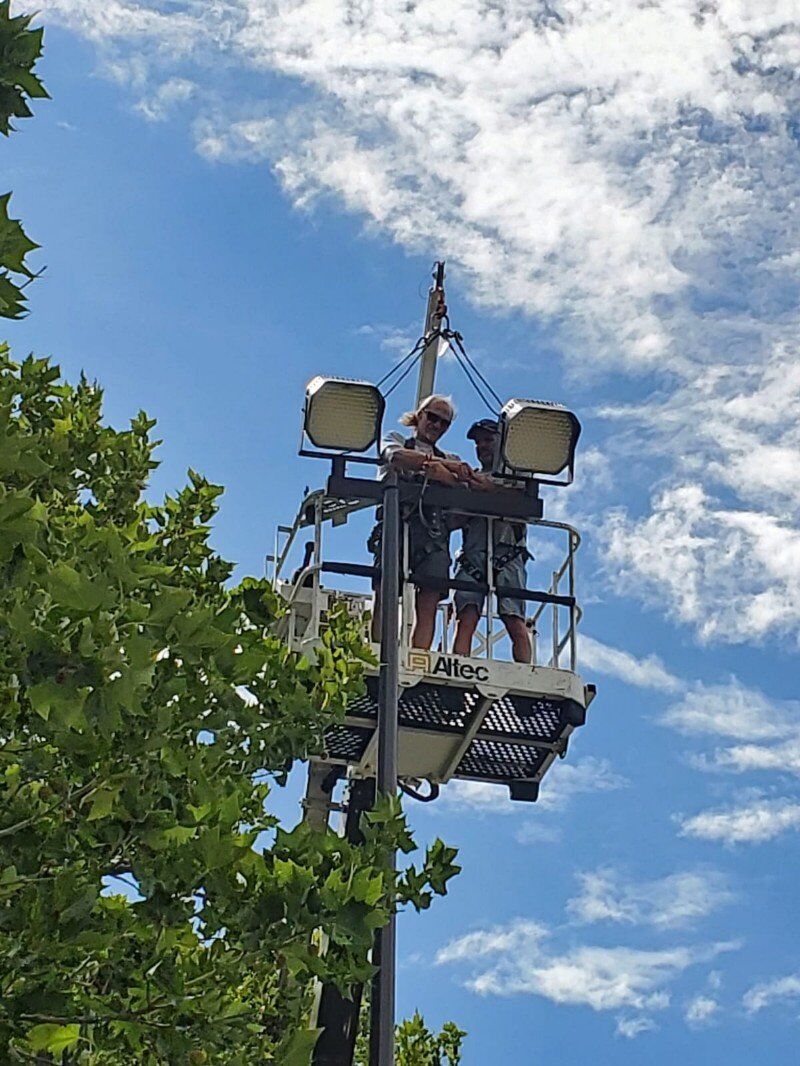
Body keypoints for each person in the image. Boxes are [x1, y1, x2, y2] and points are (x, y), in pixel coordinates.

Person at [369, 395, 478, 649]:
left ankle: (418, 657)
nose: (436, 425)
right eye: (432, 417)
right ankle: (379, 651)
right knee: (385, 590)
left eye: (444, 423)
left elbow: (465, 483)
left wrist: (444, 475)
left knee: (429, 599)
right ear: (419, 414)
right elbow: (395, 457)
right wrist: (442, 468)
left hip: (433, 532)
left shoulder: (450, 455)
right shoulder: (396, 439)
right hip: (395, 525)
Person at [452, 418, 532, 663]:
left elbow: (526, 500)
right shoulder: (471, 480)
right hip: (473, 554)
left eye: (488, 439)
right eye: (478, 442)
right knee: (466, 616)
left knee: (514, 618)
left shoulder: (520, 476)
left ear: (502, 441)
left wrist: (489, 489)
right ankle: (458, 667)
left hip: (508, 552)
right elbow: (454, 520)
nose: (482, 446)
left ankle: (525, 673)